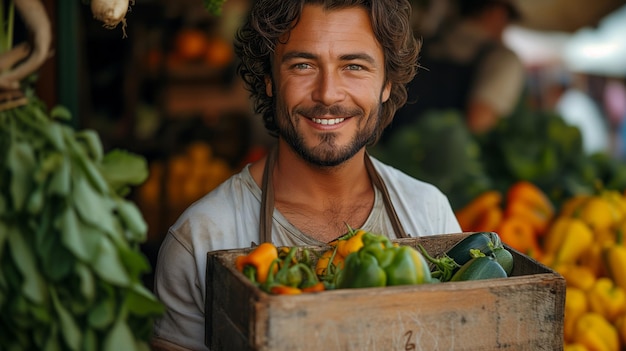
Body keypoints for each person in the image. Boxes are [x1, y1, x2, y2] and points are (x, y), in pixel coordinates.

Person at [151, 0, 461, 349]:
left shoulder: (430, 213)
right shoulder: (202, 237)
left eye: (354, 66)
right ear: (269, 79)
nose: (327, 93)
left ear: (386, 83)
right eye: (302, 65)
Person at [384, 0, 525, 138]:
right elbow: (479, 121)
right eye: (510, 18)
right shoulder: (502, 58)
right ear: (497, 12)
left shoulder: (422, 40)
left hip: (389, 143)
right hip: (440, 154)